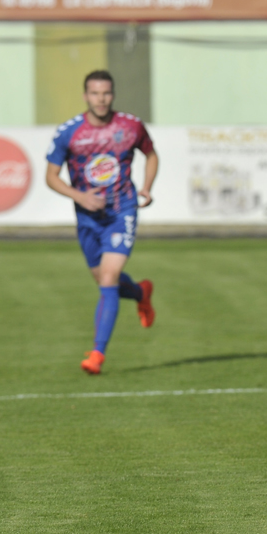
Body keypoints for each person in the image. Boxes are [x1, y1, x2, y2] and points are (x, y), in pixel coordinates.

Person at [45, 70, 158, 375]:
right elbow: (51, 177)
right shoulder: (69, 132)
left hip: (122, 211)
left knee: (108, 279)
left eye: (106, 93)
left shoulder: (130, 126)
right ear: (86, 96)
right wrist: (79, 197)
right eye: (95, 93)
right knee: (104, 279)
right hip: (87, 218)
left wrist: (147, 186)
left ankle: (97, 354)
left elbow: (151, 154)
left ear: (113, 94)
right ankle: (140, 293)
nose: (101, 99)